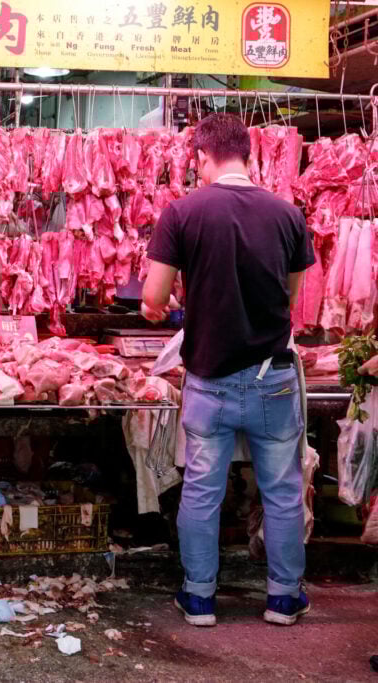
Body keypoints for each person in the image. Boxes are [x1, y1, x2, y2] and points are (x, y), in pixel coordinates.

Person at [141, 113, 315, 627]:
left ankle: (199, 598)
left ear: (201, 157)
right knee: (281, 492)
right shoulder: (287, 215)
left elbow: (153, 296)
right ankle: (283, 598)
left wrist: (166, 304)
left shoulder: (182, 212)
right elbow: (290, 299)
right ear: (249, 154)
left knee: (202, 492)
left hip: (209, 382)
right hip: (272, 382)